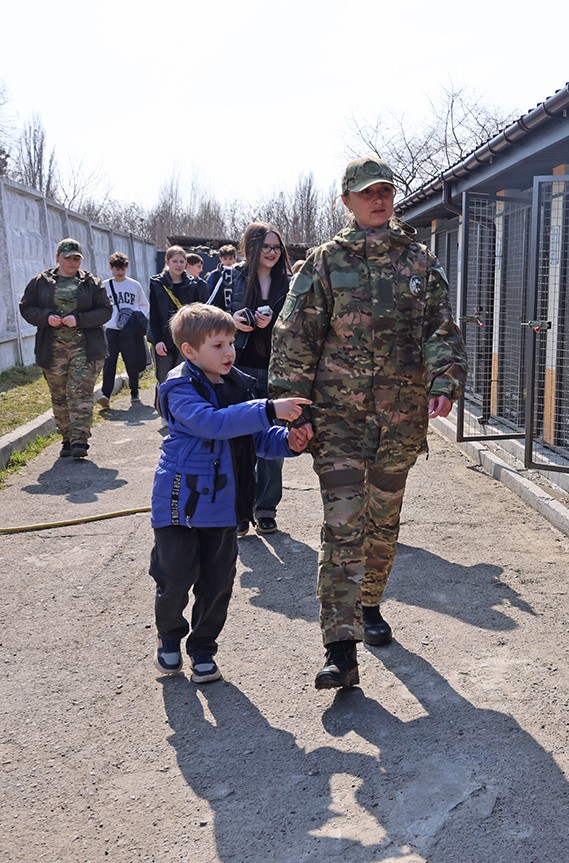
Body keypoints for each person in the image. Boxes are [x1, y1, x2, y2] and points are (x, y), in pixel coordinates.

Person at [271, 156, 467, 690]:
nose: (377, 200)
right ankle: (340, 647)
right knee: (342, 528)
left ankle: (370, 603)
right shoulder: (325, 263)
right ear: (347, 203)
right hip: (338, 421)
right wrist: (290, 407)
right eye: (366, 193)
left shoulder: (420, 263)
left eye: (384, 191)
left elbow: (441, 330)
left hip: (399, 421)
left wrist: (445, 382)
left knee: (382, 524)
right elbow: (294, 339)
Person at [150, 303, 311, 683]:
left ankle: (203, 648)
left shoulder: (238, 385)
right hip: (180, 505)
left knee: (218, 582)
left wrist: (290, 441)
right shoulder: (178, 387)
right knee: (174, 578)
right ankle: (169, 638)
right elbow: (211, 424)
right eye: (218, 345)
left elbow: (254, 438)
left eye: (231, 343)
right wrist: (270, 409)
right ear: (190, 351)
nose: (229, 353)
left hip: (223, 506)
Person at [208, 222, 292, 537]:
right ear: (251, 247)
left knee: (273, 443)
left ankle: (266, 509)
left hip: (278, 370)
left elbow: (303, 323)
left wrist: (277, 323)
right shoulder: (229, 277)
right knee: (238, 444)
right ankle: (240, 510)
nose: (272, 253)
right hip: (236, 371)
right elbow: (202, 315)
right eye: (266, 246)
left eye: (276, 247)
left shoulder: (291, 282)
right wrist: (231, 321)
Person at [18, 238, 112, 459]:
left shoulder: (92, 283)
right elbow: (26, 307)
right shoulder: (40, 282)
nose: (72, 262)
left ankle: (80, 440)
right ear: (57, 257)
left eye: (76, 258)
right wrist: (45, 318)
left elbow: (105, 311)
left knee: (79, 392)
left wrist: (78, 319)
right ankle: (67, 439)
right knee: (59, 395)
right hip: (52, 350)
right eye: (68, 257)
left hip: (85, 348)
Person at [148, 246, 204, 414]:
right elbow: (154, 316)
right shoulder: (157, 283)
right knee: (163, 376)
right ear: (167, 262)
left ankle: (177, 411)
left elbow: (196, 312)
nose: (178, 265)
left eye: (182, 261)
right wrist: (157, 341)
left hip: (184, 338)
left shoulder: (193, 284)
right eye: (175, 261)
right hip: (163, 338)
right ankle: (163, 411)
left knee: (182, 376)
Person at [99, 252, 150, 407]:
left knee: (132, 361)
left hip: (130, 329)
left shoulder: (134, 285)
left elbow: (144, 305)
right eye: (116, 268)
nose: (120, 271)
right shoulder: (105, 286)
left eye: (122, 268)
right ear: (111, 267)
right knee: (109, 362)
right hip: (112, 329)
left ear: (127, 267)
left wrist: (137, 316)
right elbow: (100, 306)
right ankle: (105, 394)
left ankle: (134, 392)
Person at [204, 245, 239, 309]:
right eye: (225, 259)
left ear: (235, 259)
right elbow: (207, 293)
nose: (228, 261)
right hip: (218, 309)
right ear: (220, 259)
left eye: (230, 258)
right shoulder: (215, 274)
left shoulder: (240, 274)